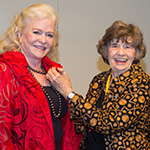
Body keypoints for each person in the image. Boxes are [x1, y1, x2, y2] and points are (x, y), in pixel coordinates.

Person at [47, 20, 150, 149]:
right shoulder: (99, 80)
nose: (121, 53)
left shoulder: (141, 82)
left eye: (128, 47)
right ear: (106, 50)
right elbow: (84, 119)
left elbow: (108, 123)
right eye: (114, 46)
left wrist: (69, 93)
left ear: (136, 52)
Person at [0, 3, 82, 150]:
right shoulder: (5, 70)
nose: (43, 40)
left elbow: (70, 124)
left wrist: (68, 91)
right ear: (19, 34)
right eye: (37, 32)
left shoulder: (55, 72)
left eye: (49, 35)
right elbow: (2, 132)